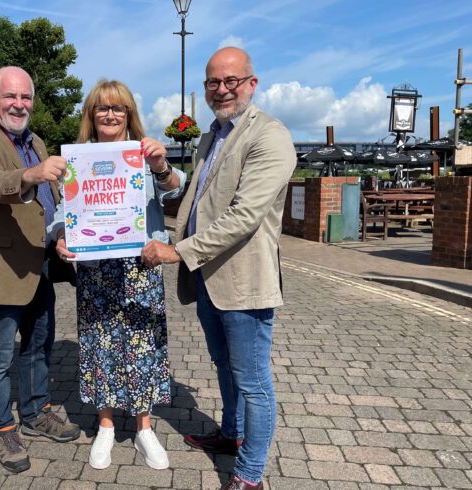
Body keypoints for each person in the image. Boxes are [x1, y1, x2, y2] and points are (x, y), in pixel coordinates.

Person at [141, 47, 296, 490]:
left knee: (254, 383)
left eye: (231, 81)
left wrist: (177, 252)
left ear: (252, 83)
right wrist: (161, 169)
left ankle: (250, 476)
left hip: (244, 282)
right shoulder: (212, 136)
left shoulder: (270, 135)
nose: (222, 89)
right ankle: (231, 435)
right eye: (213, 82)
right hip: (209, 279)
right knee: (224, 367)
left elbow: (244, 216)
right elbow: (199, 199)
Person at [53, 79, 186, 470]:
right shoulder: (79, 160)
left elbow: (177, 193)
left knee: (144, 345)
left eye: (119, 108)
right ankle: (106, 424)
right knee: (99, 344)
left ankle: (144, 427)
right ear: (91, 115)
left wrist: (161, 166)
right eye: (102, 108)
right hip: (96, 269)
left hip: (141, 266)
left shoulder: (144, 154)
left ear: (129, 115)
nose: (110, 115)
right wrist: (61, 235)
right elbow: (65, 211)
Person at [0, 66, 80, 474]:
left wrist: (62, 233)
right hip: (2, 267)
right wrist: (31, 174)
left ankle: (34, 411)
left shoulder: (38, 141)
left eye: (25, 97)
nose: (18, 104)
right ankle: (1, 426)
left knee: (38, 346)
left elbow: (51, 199)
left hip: (41, 262)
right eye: (10, 97)